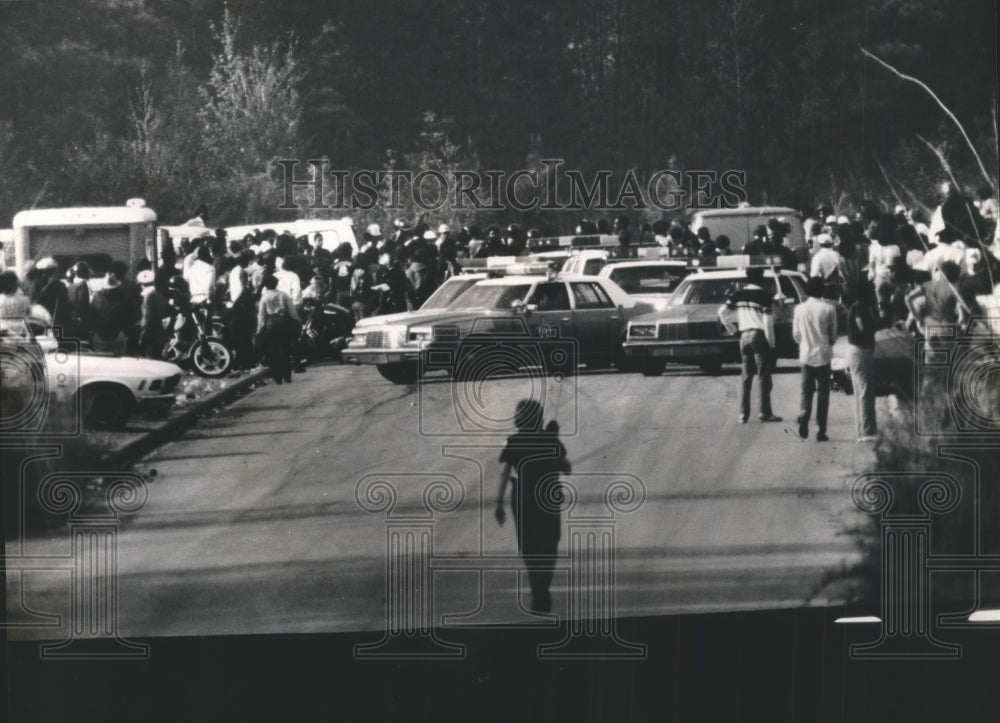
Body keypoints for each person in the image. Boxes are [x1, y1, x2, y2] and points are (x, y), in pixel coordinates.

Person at [495, 400, 570, 614]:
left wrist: (499, 504)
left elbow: (505, 474)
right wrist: (554, 439)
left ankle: (537, 587)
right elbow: (567, 469)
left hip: (522, 500)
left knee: (528, 546)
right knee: (549, 544)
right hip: (548, 499)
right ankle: (542, 587)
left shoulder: (514, 442)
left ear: (518, 421)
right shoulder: (549, 440)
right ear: (540, 420)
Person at [718, 267, 782, 423]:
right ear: (761, 280)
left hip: (744, 336)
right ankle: (764, 413)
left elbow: (721, 313)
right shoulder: (764, 296)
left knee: (746, 377)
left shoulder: (738, 294)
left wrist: (733, 330)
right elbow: (767, 323)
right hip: (758, 335)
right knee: (763, 376)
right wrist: (771, 344)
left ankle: (743, 414)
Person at [792, 277, 838, 442]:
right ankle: (820, 429)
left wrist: (804, 344)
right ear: (822, 290)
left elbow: (796, 335)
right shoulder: (828, 309)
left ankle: (804, 412)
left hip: (805, 354)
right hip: (823, 354)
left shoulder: (799, 309)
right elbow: (832, 336)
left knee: (806, 391)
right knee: (823, 393)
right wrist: (827, 349)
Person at [847, 282, 879, 442]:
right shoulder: (860, 307)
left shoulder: (856, 306)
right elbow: (862, 326)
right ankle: (867, 432)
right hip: (861, 351)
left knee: (859, 393)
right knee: (866, 393)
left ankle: (862, 430)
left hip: (855, 351)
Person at [256, 273, 300, 384]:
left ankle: (277, 376)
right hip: (284, 323)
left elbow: (262, 315)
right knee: (286, 348)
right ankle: (287, 376)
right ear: (276, 284)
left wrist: (260, 328)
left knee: (273, 350)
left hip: (271, 324)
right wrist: (297, 321)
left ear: (266, 285)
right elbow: (292, 311)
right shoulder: (283, 295)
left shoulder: (264, 297)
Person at [90, 266, 136, 355]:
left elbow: (91, 315)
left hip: (99, 337)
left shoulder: (96, 298)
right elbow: (131, 315)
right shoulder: (123, 298)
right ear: (116, 287)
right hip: (117, 335)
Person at [137, 270, 170, 359]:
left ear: (141, 284)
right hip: (160, 331)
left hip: (151, 333)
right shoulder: (159, 294)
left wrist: (142, 334)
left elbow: (148, 316)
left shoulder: (148, 296)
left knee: (151, 359)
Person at [810, 234, 845, 301]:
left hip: (825, 288)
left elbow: (814, 275)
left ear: (819, 244)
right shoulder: (837, 255)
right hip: (839, 287)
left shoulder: (817, 257)